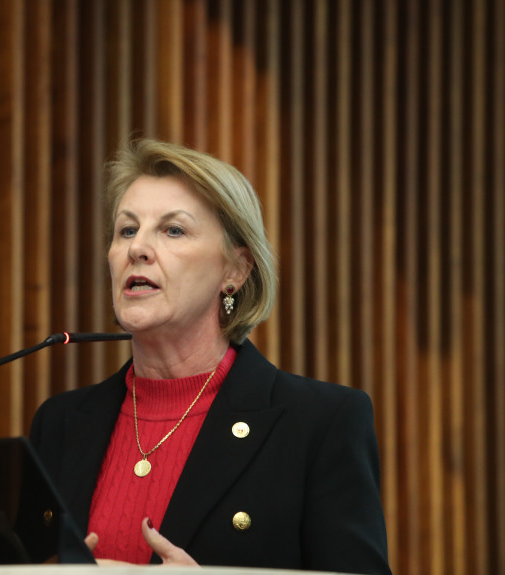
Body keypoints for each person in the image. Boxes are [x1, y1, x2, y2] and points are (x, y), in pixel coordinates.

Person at [30, 138, 391, 574]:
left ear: (235, 271)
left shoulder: (320, 423)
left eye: (173, 230)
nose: (137, 249)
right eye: (127, 229)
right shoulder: (61, 424)